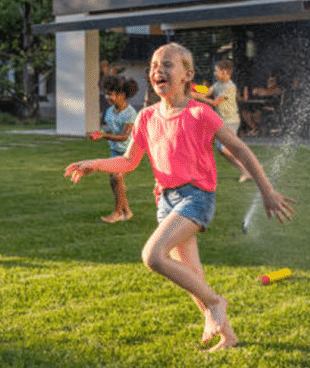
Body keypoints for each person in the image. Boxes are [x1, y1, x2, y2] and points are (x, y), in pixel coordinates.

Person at [65, 43, 296, 351]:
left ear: (188, 75)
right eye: (154, 65)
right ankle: (229, 336)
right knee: (192, 277)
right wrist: (93, 164)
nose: (158, 69)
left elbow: (240, 149)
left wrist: (266, 190)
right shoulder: (147, 117)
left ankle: (216, 302)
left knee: (152, 256)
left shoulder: (201, 113)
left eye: (167, 64)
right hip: (166, 201)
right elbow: (129, 162)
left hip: (196, 198)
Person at [90, 75, 139, 223]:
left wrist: (104, 137)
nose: (107, 97)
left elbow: (124, 136)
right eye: (106, 93)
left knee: (116, 177)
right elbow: (109, 129)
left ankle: (117, 213)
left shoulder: (130, 113)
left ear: (122, 95)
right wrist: (99, 133)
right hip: (115, 151)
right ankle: (127, 211)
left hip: (129, 152)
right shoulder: (110, 111)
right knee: (114, 181)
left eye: (110, 94)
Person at [196, 60, 252, 183]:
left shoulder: (230, 87)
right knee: (223, 150)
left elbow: (215, 102)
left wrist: (193, 95)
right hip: (221, 121)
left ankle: (247, 169)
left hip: (230, 121)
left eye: (216, 71)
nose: (215, 73)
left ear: (224, 72)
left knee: (224, 149)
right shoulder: (217, 84)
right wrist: (192, 86)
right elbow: (206, 91)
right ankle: (248, 169)